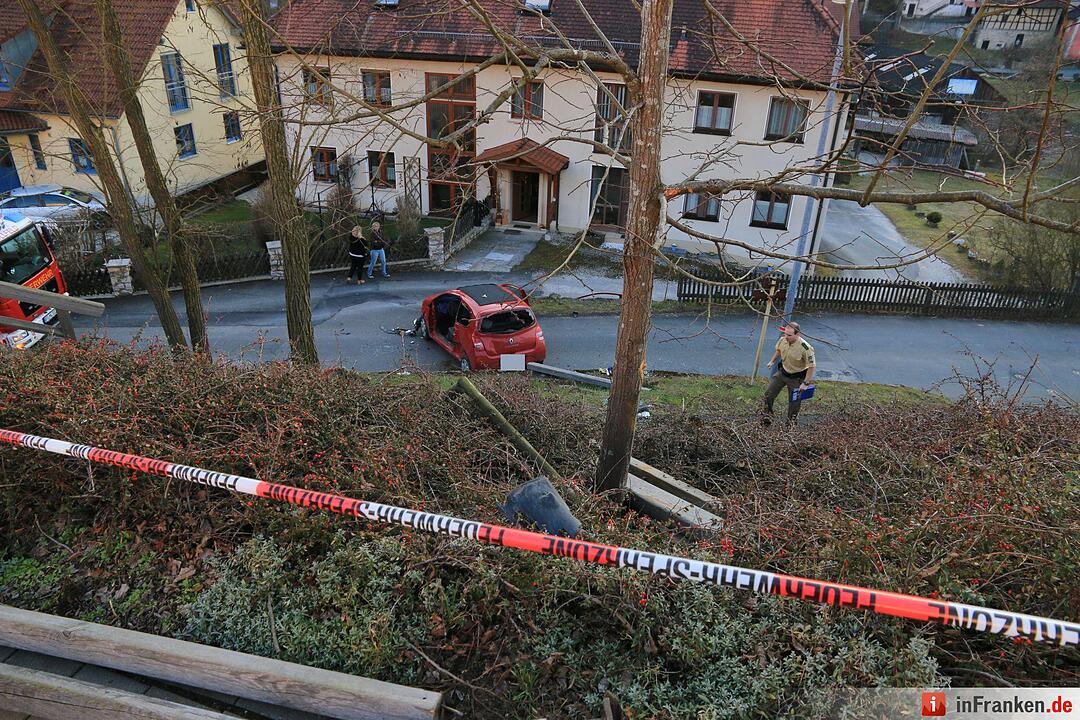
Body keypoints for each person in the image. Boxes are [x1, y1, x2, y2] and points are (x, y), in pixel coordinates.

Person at [762, 321, 816, 425]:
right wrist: (772, 361)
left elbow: (812, 366)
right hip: (782, 373)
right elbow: (778, 350)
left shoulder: (806, 347)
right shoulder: (783, 340)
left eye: (789, 335)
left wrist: (805, 383)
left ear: (797, 334)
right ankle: (767, 418)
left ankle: (790, 425)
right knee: (768, 395)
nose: (786, 337)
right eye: (785, 334)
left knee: (794, 403)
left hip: (796, 378)